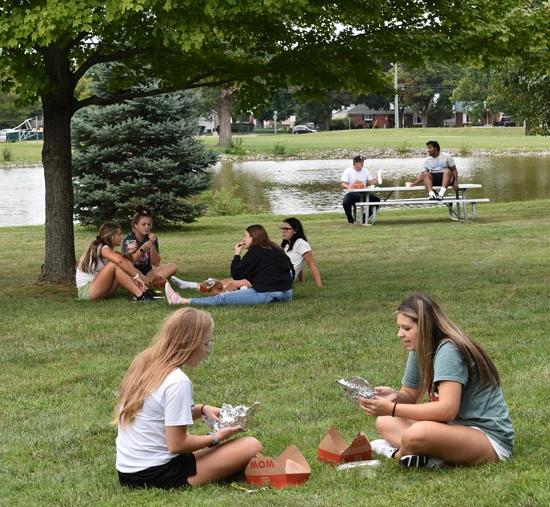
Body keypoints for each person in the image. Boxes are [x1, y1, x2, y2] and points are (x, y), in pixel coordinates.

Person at [359, 292, 514, 469]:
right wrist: (394, 397)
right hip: (452, 428)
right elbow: (409, 394)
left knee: (417, 433)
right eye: (399, 328)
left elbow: (447, 410)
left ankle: (396, 453)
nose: (400, 334)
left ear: (426, 327)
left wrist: (392, 408)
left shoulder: (449, 350)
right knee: (384, 420)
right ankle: (426, 455)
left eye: (407, 328)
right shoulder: (419, 349)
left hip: (487, 438)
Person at [115, 308, 262, 489]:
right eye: (206, 343)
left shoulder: (145, 360)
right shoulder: (178, 381)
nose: (208, 351)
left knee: (215, 449)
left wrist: (201, 410)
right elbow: (177, 444)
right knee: (251, 445)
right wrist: (216, 437)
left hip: (128, 472)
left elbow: (158, 415)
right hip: (158, 475)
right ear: (191, 344)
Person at [164, 224, 293, 306]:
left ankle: (181, 300)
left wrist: (237, 254)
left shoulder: (255, 251)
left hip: (268, 294)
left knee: (222, 298)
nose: (243, 239)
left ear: (253, 238)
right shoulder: (275, 248)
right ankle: (192, 285)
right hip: (287, 293)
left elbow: (237, 274)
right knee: (231, 283)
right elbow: (289, 269)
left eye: (245, 236)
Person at [76, 222, 154, 301]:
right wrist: (136, 277)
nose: (121, 237)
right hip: (87, 291)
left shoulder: (109, 250)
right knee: (115, 264)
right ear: (111, 236)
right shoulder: (102, 248)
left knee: (124, 264)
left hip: (101, 289)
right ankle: (140, 295)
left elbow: (130, 260)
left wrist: (142, 249)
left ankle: (143, 290)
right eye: (119, 234)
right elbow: (120, 261)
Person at [121, 206, 177, 289]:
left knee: (173, 266)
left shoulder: (152, 238)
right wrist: (140, 250)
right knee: (129, 271)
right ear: (136, 225)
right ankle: (151, 282)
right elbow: (129, 262)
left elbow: (156, 263)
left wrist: (152, 244)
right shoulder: (130, 239)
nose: (147, 227)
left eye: (149, 224)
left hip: (149, 272)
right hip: (134, 271)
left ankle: (147, 282)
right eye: (143, 224)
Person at [280, 217, 322, 288]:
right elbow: (298, 262)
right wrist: (302, 281)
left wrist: (320, 286)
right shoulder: (286, 244)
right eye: (282, 229)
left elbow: (312, 265)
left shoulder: (301, 243)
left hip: (282, 279)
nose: (283, 231)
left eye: (286, 229)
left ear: (295, 231)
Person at [341, 155, 380, 224]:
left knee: (377, 200)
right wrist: (349, 187)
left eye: (363, 161)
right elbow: (343, 183)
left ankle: (364, 217)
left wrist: (377, 179)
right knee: (345, 201)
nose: (362, 163)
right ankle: (351, 220)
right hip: (351, 193)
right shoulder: (348, 171)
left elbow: (371, 182)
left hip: (364, 193)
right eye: (360, 162)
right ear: (355, 163)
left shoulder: (365, 171)